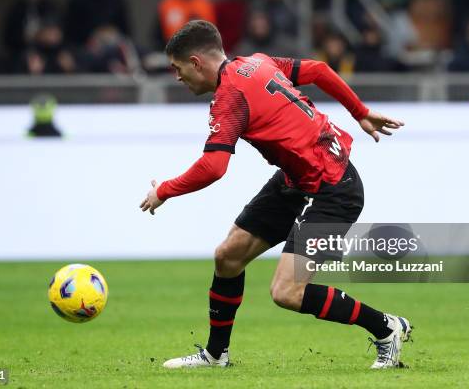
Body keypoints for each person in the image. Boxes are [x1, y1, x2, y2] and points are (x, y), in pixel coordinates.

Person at [140, 20, 411, 370]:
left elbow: (214, 167)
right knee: (228, 256)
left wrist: (164, 190)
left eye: (177, 68)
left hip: (333, 189)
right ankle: (215, 355)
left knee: (287, 293)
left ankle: (387, 327)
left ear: (196, 63)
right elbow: (317, 69)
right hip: (297, 181)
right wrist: (359, 112)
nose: (177, 77)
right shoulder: (256, 62)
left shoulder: (229, 98)